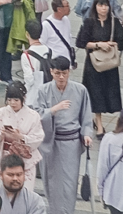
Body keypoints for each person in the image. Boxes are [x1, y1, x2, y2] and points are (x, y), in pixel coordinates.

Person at [38, 56, 94, 214]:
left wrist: (87, 134)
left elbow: (86, 117)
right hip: (51, 141)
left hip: (71, 142)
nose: (61, 77)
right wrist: (53, 110)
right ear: (51, 72)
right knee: (52, 181)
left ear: (69, 71)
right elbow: (37, 114)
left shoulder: (80, 90)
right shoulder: (44, 90)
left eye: (64, 73)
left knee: (70, 182)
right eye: (57, 73)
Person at [79, 0, 123, 136]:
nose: (103, 8)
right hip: (93, 64)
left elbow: (122, 42)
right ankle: (99, 123)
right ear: (95, 6)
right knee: (96, 93)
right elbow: (81, 42)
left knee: (110, 92)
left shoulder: (114, 22)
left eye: (105, 5)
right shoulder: (89, 22)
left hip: (109, 64)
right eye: (100, 5)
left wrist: (112, 44)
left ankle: (108, 121)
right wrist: (98, 44)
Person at [0, 81, 44, 183]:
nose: (12, 103)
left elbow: (38, 137)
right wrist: (1, 135)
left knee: (25, 193)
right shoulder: (1, 113)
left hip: (24, 159)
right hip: (5, 157)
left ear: (24, 98)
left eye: (16, 100)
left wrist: (20, 137)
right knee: (4, 192)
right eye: (9, 100)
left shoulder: (33, 116)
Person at [42, 0, 77, 69]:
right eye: (67, 5)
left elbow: (69, 38)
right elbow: (42, 44)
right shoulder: (46, 25)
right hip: (55, 64)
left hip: (67, 62)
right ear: (59, 9)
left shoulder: (66, 20)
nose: (69, 8)